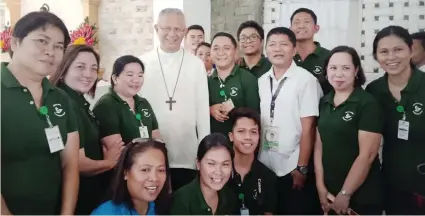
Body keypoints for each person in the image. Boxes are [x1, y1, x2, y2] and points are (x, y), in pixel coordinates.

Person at [1, 11, 79, 215]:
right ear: (15, 43)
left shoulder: (60, 98)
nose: (50, 52)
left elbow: (70, 164)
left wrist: (66, 213)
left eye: (58, 46)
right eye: (42, 41)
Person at [138, 8, 210, 191]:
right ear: (156, 29)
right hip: (150, 153)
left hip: (188, 152)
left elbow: (202, 114)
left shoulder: (196, 65)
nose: (172, 34)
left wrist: (204, 153)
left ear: (185, 31)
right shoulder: (142, 63)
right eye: (166, 28)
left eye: (178, 29)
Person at [49, 44, 124, 214]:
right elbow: (77, 163)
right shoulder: (65, 103)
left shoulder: (78, 101)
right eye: (80, 67)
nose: (88, 74)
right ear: (64, 68)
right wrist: (110, 162)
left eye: (93, 68)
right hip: (77, 199)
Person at [257, 27, 323, 215]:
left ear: (294, 50)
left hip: (292, 165)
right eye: (272, 44)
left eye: (284, 44)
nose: (277, 49)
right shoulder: (262, 80)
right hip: (266, 162)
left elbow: (309, 127)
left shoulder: (305, 80)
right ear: (266, 50)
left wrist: (301, 167)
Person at [315, 46, 383, 215]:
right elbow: (319, 146)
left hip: (360, 194)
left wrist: (345, 193)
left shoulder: (367, 103)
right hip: (329, 191)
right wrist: (320, 186)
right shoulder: (324, 101)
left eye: (346, 68)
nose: (338, 74)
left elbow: (367, 155)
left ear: (356, 70)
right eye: (333, 68)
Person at [366, 25, 425, 215]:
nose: (391, 57)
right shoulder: (374, 91)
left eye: (398, 49)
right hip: (391, 184)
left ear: (410, 50)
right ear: (376, 56)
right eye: (384, 52)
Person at [93, 55, 160, 148]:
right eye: (130, 75)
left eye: (140, 75)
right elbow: (116, 150)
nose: (136, 80)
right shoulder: (106, 105)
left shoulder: (143, 103)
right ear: (115, 78)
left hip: (149, 159)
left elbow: (157, 140)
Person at [92, 138, 171, 215]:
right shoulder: (106, 213)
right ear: (125, 173)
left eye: (161, 170)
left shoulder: (163, 209)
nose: (154, 178)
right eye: (145, 170)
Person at [170, 133, 238, 215]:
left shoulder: (229, 196)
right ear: (198, 164)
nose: (218, 171)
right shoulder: (182, 200)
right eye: (211, 164)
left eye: (225, 164)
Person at [227, 107, 278, 215]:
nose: (248, 137)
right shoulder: (220, 173)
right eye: (241, 131)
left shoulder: (268, 176)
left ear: (259, 136)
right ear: (231, 136)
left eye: (253, 132)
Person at [209, 32, 260, 136]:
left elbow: (255, 116)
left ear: (235, 51)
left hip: (241, 143)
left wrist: (235, 111)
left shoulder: (248, 79)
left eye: (226, 48)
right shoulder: (206, 81)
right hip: (213, 142)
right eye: (216, 48)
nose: (221, 52)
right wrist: (209, 109)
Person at [290, 8, 332, 95]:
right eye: (296, 22)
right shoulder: (284, 57)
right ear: (290, 29)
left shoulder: (330, 57)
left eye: (306, 21)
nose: (301, 26)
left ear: (316, 28)